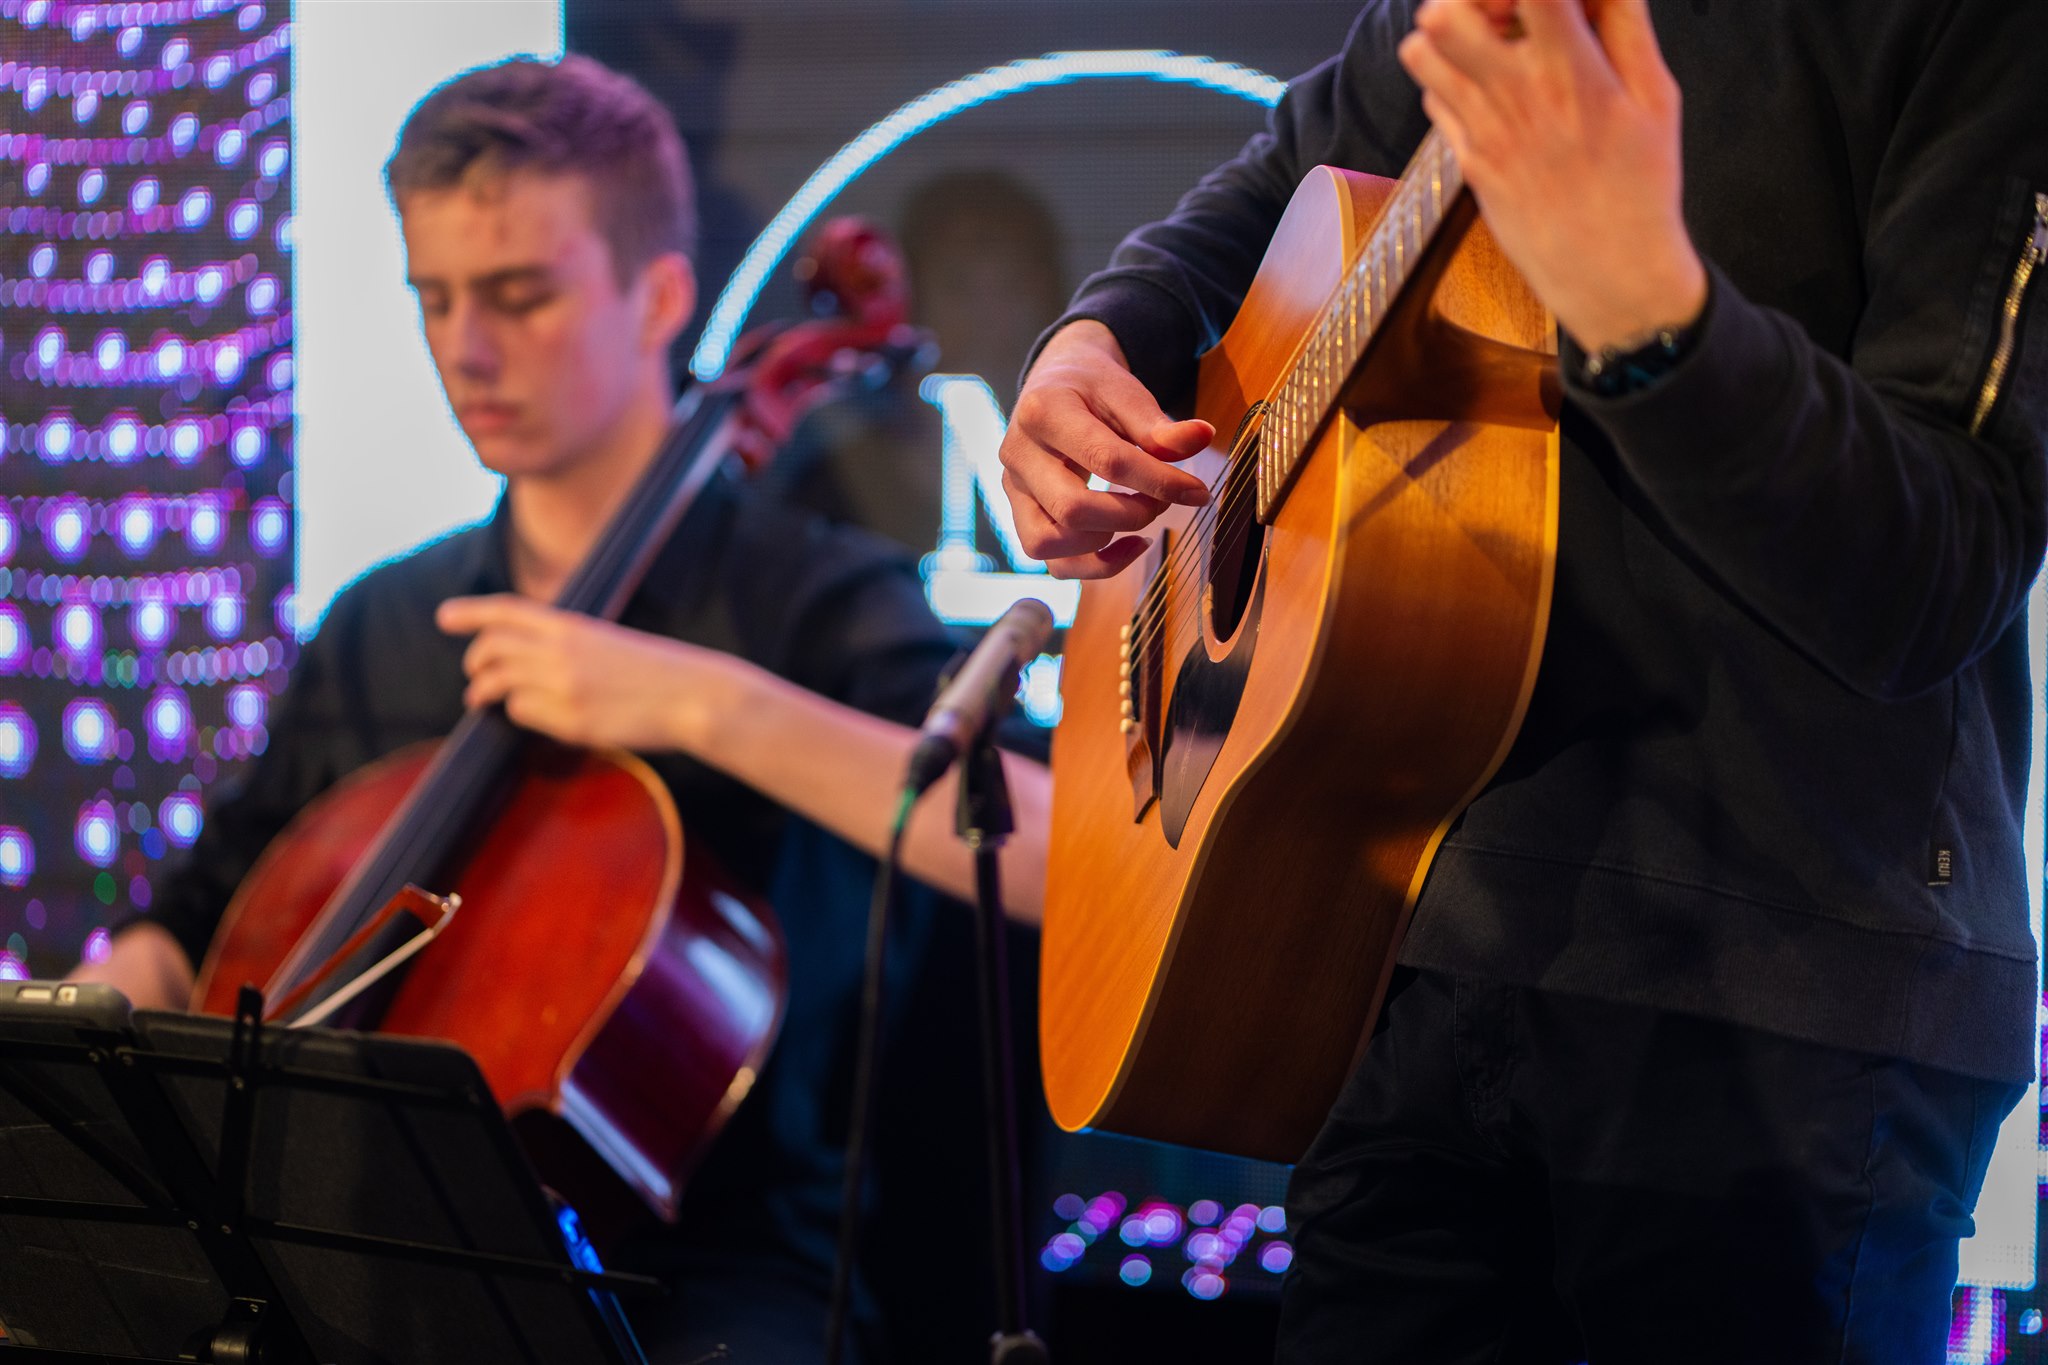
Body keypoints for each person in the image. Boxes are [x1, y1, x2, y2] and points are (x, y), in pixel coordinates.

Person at [998, 0, 2044, 1359]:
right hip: (1408, 954)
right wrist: (1101, 335)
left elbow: (1938, 571)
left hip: (1786, 1001)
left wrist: (1650, 310)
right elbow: (1289, 174)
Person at [72, 54, 1050, 1364]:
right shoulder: (387, 622)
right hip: (353, 1257)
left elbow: (1042, 845)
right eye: (435, 299)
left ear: (661, 297)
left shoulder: (811, 601)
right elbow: (199, 923)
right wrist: (89, 1020)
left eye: (521, 296)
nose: (466, 349)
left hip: (716, 1285)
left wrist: (704, 704)